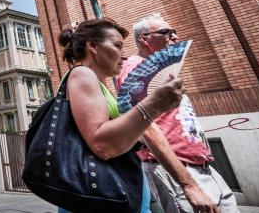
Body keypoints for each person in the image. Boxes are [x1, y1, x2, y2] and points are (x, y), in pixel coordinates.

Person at [58, 18, 184, 213]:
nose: (124, 56)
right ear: (92, 45)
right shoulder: (82, 75)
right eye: (117, 45)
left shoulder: (98, 85)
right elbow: (101, 143)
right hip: (100, 197)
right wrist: (153, 105)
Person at [115, 14, 238, 213]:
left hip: (202, 166)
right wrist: (188, 185)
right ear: (144, 39)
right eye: (165, 32)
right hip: (175, 169)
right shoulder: (134, 67)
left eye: (174, 32)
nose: (174, 37)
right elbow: (143, 126)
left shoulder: (164, 70)